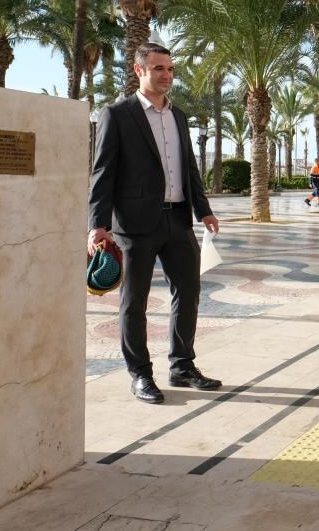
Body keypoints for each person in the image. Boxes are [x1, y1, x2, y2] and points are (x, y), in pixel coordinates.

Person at [87, 43, 222, 405]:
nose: (166, 75)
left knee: (189, 293)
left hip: (178, 220)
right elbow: (103, 172)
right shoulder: (117, 115)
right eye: (159, 68)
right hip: (134, 225)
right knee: (134, 302)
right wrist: (98, 224)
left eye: (170, 69)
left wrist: (203, 209)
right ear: (139, 71)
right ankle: (140, 374)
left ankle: (182, 365)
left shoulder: (177, 116)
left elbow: (189, 165)